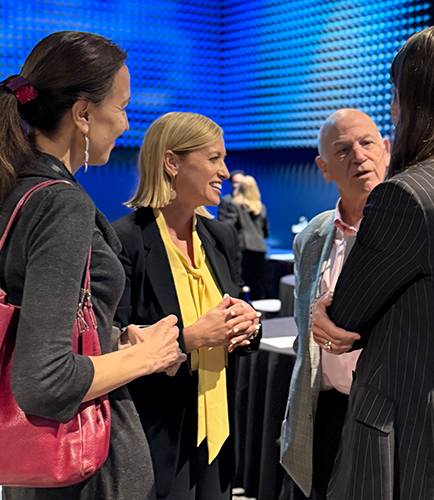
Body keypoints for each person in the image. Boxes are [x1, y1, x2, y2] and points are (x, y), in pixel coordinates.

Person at [0, 31, 186, 500]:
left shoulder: (15, 189)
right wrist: (145, 357)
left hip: (35, 471)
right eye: (121, 107)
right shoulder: (59, 204)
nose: (126, 124)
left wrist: (111, 339)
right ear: (83, 114)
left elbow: (34, 327)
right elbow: (44, 382)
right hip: (84, 470)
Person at [323, 26, 434, 499]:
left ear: (411, 100)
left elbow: (344, 317)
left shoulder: (409, 195)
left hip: (416, 445)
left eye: (396, 92)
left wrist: (323, 311)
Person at [112, 112, 261, 500]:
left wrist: (248, 326)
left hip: (217, 435)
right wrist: (192, 337)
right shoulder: (124, 240)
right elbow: (114, 347)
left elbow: (233, 321)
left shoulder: (221, 237)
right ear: (171, 162)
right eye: (214, 159)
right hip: (156, 437)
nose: (225, 172)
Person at [280, 110, 390, 499]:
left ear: (386, 149)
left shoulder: (412, 229)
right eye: (342, 150)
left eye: (367, 143)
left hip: (386, 415)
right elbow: (304, 336)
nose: (359, 156)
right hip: (322, 412)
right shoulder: (312, 236)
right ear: (324, 168)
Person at [218, 175, 269, 300]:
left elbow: (228, 227)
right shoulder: (261, 208)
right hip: (260, 249)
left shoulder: (234, 205)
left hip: (243, 249)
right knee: (257, 286)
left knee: (241, 284)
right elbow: (265, 232)